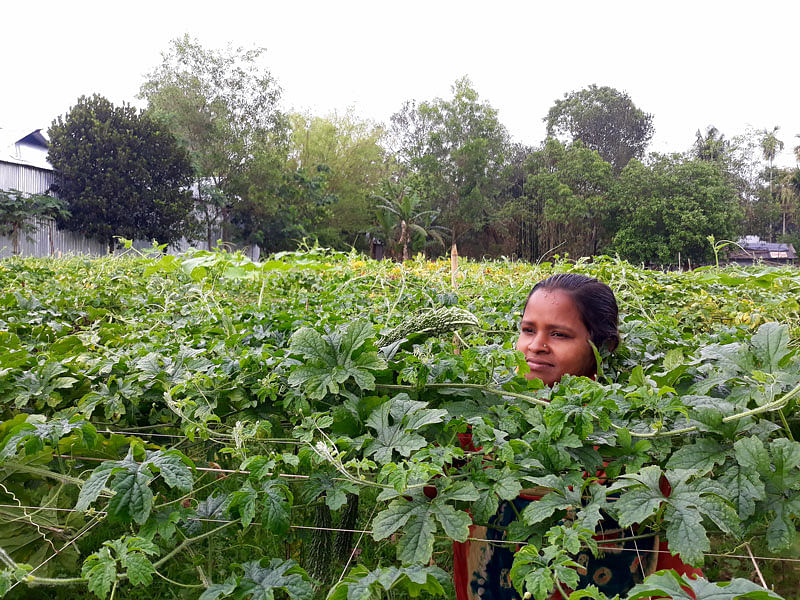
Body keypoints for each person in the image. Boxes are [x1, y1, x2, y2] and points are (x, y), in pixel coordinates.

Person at [453, 273, 699, 600]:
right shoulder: (482, 424)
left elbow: (670, 566)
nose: (536, 346)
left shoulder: (631, 437)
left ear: (602, 346)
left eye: (559, 334)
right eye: (528, 330)